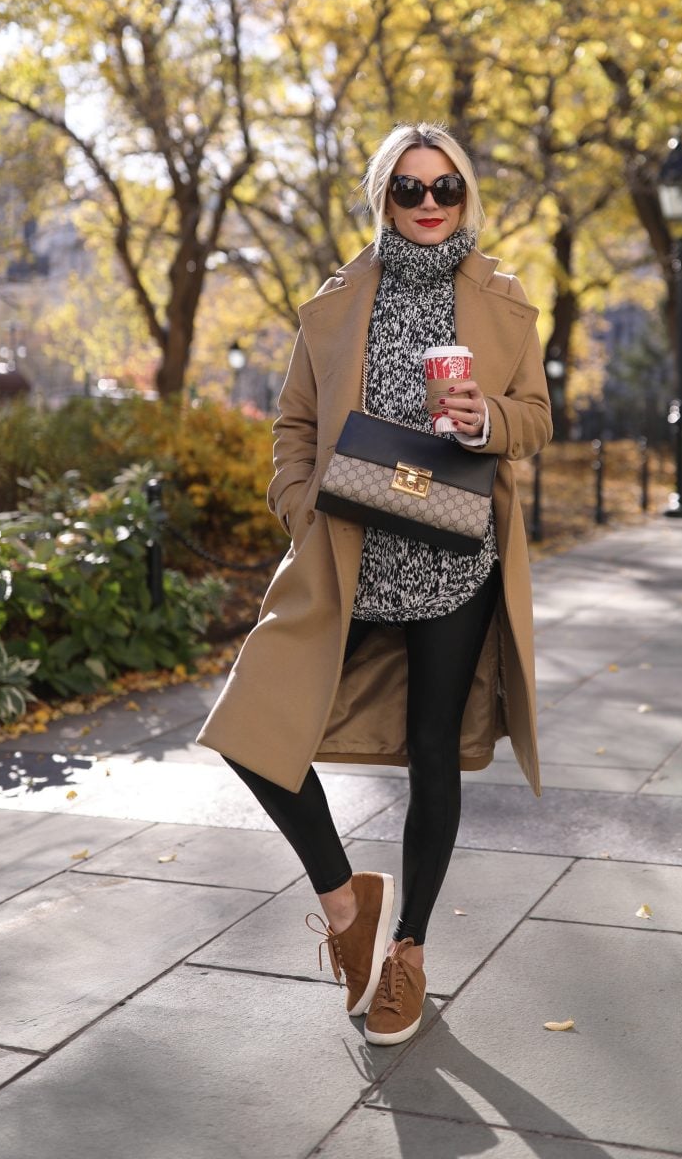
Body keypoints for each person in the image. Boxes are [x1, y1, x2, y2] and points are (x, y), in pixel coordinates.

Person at [197, 121, 552, 1045]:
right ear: (381, 198)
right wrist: (299, 510)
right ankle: (345, 900)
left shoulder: (505, 300)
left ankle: (409, 954)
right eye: (410, 189)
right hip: (350, 555)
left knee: (434, 754)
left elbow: (540, 419)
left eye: (446, 189)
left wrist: (487, 422)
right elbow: (293, 427)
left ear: (465, 197)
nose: (430, 205)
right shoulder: (334, 303)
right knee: (250, 727)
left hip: (455, 558)